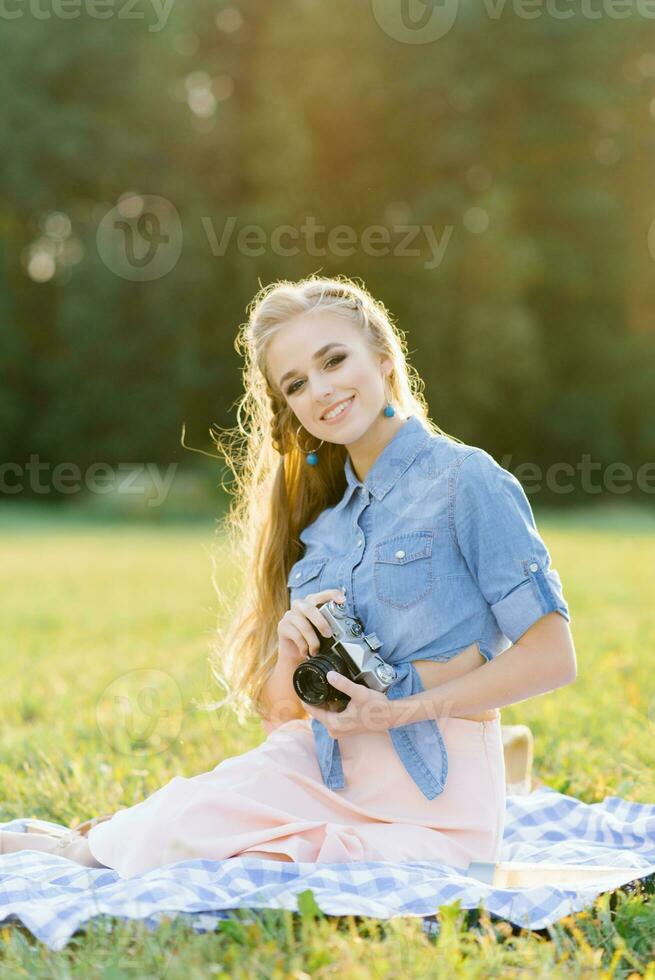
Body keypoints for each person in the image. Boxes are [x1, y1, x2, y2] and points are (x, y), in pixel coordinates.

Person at [0, 275, 577, 876]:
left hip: (435, 803)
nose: (322, 391)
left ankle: (93, 843)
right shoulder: (322, 529)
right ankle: (83, 844)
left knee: (228, 855)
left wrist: (397, 711)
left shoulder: (466, 482)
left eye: (334, 360)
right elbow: (286, 719)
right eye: (297, 384)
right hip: (319, 772)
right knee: (172, 841)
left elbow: (552, 657)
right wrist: (286, 653)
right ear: (288, 405)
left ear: (383, 359)